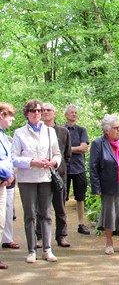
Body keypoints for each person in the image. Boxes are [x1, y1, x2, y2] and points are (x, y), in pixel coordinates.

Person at [12, 100, 61, 263]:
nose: (37, 113)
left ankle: (47, 249)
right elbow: (14, 158)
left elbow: (57, 154)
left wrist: (53, 162)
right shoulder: (19, 133)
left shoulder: (49, 132)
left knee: (46, 214)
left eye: (39, 110)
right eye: (33, 111)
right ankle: (32, 250)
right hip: (27, 179)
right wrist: (32, 162)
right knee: (30, 215)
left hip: (46, 178)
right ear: (27, 113)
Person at [89, 114, 119, 255]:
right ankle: (109, 242)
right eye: (116, 128)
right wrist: (96, 187)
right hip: (107, 184)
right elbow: (93, 167)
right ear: (107, 130)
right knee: (109, 213)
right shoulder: (98, 143)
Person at [36, 103, 72, 248]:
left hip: (59, 175)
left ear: (54, 113)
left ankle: (61, 236)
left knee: (60, 208)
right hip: (41, 175)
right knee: (41, 209)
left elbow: (67, 155)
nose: (45, 112)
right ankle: (39, 237)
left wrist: (59, 166)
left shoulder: (64, 132)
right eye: (42, 110)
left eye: (48, 110)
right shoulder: (37, 131)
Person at [64, 104, 90, 235]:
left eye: (75, 112)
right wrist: (76, 148)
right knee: (62, 197)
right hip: (64, 169)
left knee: (80, 197)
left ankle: (81, 223)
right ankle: (62, 225)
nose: (74, 114)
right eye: (71, 112)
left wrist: (68, 149)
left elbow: (84, 148)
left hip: (79, 168)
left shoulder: (81, 130)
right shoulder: (61, 130)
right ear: (66, 115)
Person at [0, 102, 17, 269]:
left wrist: (10, 175)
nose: (12, 119)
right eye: (10, 115)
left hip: (4, 183)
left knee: (2, 221)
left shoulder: (4, 135)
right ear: (1, 115)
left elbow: (8, 159)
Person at [2, 136, 20, 250]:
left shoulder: (7, 139)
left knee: (8, 211)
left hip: (8, 181)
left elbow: (15, 161)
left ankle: (7, 239)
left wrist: (9, 175)